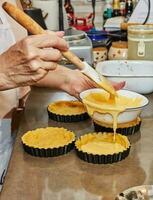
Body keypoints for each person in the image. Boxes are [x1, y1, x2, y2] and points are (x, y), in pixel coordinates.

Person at [0, 0, 124, 191]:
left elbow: (19, 66)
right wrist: (2, 72)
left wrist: (69, 79)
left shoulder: (10, 3)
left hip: (10, 139)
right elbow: (6, 68)